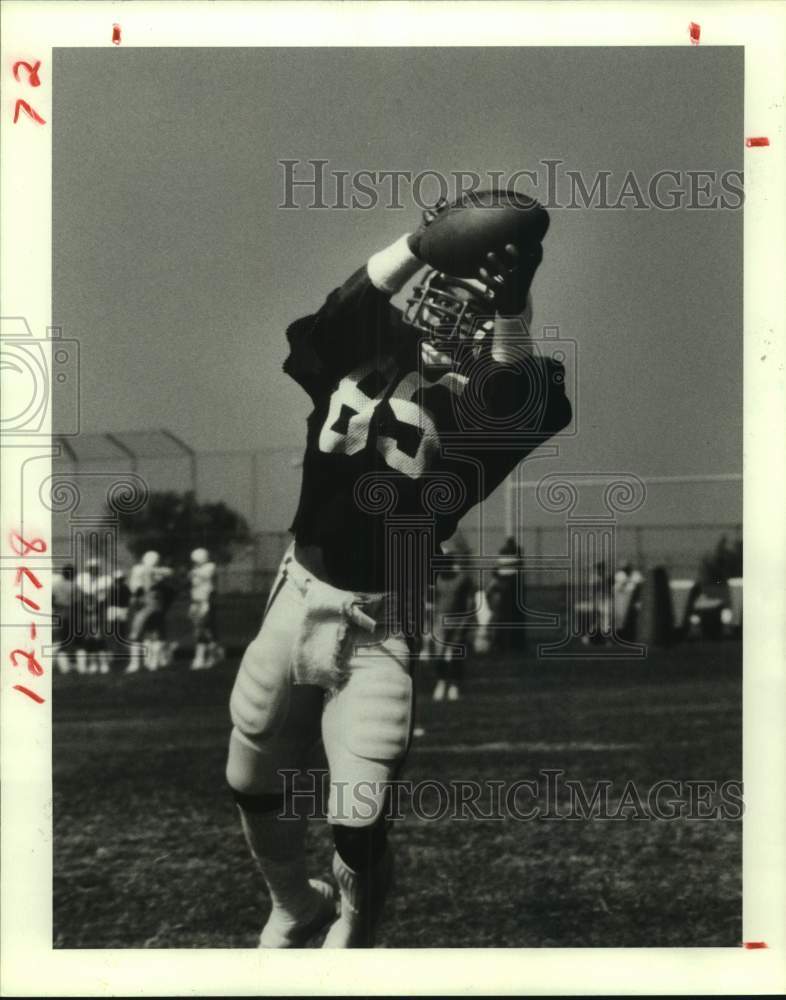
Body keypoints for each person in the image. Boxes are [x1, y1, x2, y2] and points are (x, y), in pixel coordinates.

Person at [224, 190, 571, 949]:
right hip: (296, 599)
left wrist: (514, 306)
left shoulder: (485, 409)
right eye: (449, 289)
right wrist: (419, 243)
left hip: (378, 626)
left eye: (481, 304)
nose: (456, 311)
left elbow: (517, 397)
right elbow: (332, 316)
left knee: (360, 817)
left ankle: (358, 931)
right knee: (251, 780)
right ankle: (293, 903)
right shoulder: (354, 353)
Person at [430, 534, 476, 702]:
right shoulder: (437, 580)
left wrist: (466, 621)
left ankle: (455, 684)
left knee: (456, 654)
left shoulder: (463, 579)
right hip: (441, 620)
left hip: (458, 620)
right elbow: (431, 602)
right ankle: (441, 682)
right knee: (439, 656)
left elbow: (470, 603)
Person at [127, 550, 175, 673]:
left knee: (136, 634)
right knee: (154, 633)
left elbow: (136, 590)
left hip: (145, 605)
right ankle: (153, 662)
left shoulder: (139, 570)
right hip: (157, 605)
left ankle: (135, 663)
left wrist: (135, 598)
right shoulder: (162, 572)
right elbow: (168, 575)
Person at [74, 557, 111, 674]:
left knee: (99, 637)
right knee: (89, 638)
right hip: (86, 611)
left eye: (95, 568)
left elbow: (98, 594)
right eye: (91, 568)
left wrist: (92, 595)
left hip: (99, 610)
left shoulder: (103, 580)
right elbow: (86, 592)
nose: (93, 570)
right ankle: (93, 663)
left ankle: (104, 664)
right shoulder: (83, 579)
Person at [189, 547, 222, 670]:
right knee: (203, 630)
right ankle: (212, 654)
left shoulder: (210, 567)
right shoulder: (198, 569)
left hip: (206, 602)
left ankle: (202, 657)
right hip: (197, 601)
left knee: (203, 629)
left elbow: (206, 577)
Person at [52, 564, 76, 674]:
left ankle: (56, 664)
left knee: (57, 639)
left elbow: (51, 599)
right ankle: (64, 666)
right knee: (66, 641)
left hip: (57, 612)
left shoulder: (56, 585)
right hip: (69, 614)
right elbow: (77, 602)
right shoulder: (74, 586)